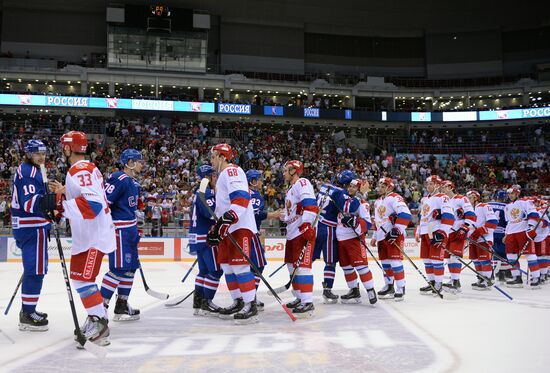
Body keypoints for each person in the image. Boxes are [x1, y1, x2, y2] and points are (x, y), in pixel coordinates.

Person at [49, 131, 116, 346]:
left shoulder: (79, 170)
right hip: (88, 235)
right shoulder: (85, 168)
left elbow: (93, 205)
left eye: (63, 146)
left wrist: (60, 206)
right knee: (79, 278)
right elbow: (86, 197)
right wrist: (64, 192)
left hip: (94, 236)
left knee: (83, 279)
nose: (62, 150)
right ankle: (97, 318)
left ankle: (99, 323)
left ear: (68, 148)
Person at [207, 143, 259, 323]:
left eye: (214, 157)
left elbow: (241, 199)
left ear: (222, 157)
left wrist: (226, 221)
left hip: (239, 226)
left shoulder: (232, 171)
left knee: (240, 266)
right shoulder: (223, 175)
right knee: (227, 267)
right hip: (227, 228)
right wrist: (218, 226)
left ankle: (250, 304)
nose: (211, 160)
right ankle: (238, 301)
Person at [11, 140, 55, 331]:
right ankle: (28, 314)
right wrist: (48, 201)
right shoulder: (28, 172)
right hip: (31, 228)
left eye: (43, 153)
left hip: (33, 226)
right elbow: (29, 204)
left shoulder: (35, 169)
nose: (41, 157)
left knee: (36, 269)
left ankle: (29, 309)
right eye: (37, 154)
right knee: (36, 271)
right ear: (28, 154)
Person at [100, 149, 144, 321]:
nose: (142, 164)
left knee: (131, 268)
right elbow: (105, 203)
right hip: (120, 230)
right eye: (139, 161)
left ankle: (122, 306)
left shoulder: (134, 183)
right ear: (130, 162)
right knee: (118, 269)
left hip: (130, 230)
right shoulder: (119, 178)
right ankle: (99, 309)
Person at [279, 160, 319, 317]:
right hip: (291, 233)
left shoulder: (302, 182)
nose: (283, 173)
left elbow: (310, 204)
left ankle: (307, 301)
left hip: (301, 232)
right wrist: (284, 216)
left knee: (302, 267)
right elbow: (293, 211)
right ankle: (299, 297)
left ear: (293, 171)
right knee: (291, 265)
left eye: (285, 170)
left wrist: (307, 225)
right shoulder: (290, 189)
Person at [313, 170, 355, 304]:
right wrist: (356, 195)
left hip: (316, 225)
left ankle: (299, 285)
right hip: (328, 228)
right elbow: (348, 209)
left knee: (309, 258)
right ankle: (327, 290)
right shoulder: (340, 193)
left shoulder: (324, 186)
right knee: (330, 262)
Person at [371, 177, 412, 301]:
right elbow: (377, 221)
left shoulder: (395, 197)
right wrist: (374, 236)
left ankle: (401, 287)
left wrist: (397, 229)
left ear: (389, 187)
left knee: (395, 262)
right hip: (381, 236)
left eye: (383, 186)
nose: (380, 188)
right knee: (385, 263)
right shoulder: (378, 201)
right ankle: (389, 286)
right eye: (380, 185)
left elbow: (406, 214)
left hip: (394, 235)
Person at [337, 179, 377, 304]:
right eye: (350, 186)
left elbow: (367, 223)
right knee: (346, 267)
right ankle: (354, 290)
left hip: (354, 239)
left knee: (361, 266)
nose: (351, 188)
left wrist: (354, 222)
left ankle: (370, 289)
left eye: (354, 187)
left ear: (359, 189)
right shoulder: (343, 201)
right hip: (341, 239)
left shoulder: (362, 203)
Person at [190, 165, 223, 316]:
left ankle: (198, 302)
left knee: (203, 271)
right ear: (208, 177)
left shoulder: (198, 192)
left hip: (197, 237)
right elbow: (211, 214)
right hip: (207, 238)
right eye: (214, 175)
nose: (216, 177)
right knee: (215, 271)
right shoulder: (207, 192)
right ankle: (206, 303)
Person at [246, 169, 280, 310]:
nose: (261, 182)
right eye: (258, 180)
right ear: (253, 182)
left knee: (245, 267)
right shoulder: (254, 195)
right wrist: (274, 215)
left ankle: (245, 297)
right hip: (250, 234)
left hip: (241, 234)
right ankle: (250, 297)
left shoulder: (239, 193)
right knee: (258, 265)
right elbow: (255, 214)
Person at [417, 175, 455, 295]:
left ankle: (438, 283)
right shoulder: (424, 199)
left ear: (438, 185)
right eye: (427, 184)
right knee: (427, 260)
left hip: (436, 231)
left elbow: (449, 216)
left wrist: (442, 232)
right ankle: (432, 282)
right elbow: (422, 216)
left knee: (436, 259)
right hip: (425, 232)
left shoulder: (442, 197)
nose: (429, 186)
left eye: (431, 184)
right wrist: (418, 230)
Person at [440, 180, 476, 292]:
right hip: (447, 232)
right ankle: (454, 280)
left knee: (454, 257)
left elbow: (471, 214)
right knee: (450, 258)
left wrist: (465, 227)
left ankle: (455, 281)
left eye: (444, 187)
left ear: (451, 187)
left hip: (458, 232)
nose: (442, 189)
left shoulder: (461, 198)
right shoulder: (443, 200)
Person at [503, 185, 540, 288]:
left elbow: (534, 215)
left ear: (517, 193)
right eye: (509, 194)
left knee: (530, 255)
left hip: (523, 232)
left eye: (512, 193)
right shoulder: (507, 207)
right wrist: (506, 234)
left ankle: (536, 277)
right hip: (511, 233)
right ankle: (516, 277)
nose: (510, 195)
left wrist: (530, 228)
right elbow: (509, 222)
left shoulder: (525, 202)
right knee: (510, 256)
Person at [466, 190, 498, 290]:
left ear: (476, 198)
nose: (468, 200)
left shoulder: (484, 206)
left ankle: (487, 279)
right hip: (472, 239)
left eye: (470, 197)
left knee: (484, 260)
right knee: (476, 260)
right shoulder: (468, 210)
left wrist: (479, 231)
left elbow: (493, 221)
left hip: (484, 238)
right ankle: (480, 278)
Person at [488, 190, 511, 282]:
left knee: (494, 253)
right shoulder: (507, 206)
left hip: (490, 232)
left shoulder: (488, 204)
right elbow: (509, 221)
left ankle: (497, 272)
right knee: (504, 253)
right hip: (502, 232)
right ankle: (506, 272)